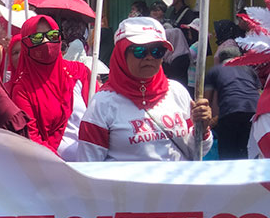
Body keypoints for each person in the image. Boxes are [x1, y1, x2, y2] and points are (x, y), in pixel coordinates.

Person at [77, 17, 212, 161]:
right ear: (122, 54)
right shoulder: (102, 104)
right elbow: (88, 164)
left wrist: (202, 129)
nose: (149, 58)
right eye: (140, 51)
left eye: (157, 51)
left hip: (178, 182)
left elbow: (195, 152)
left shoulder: (177, 92)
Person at [11, 15, 93, 160]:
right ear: (26, 45)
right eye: (37, 38)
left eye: (52, 35)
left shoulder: (80, 73)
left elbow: (99, 118)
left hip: (94, 162)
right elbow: (32, 139)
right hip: (55, 168)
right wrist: (64, 168)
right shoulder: (22, 90)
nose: (47, 42)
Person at [204, 44, 260, 159]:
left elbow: (206, 100)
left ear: (220, 60)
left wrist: (209, 122)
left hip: (230, 111)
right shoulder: (249, 70)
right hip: (254, 112)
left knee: (228, 154)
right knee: (247, 150)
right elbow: (259, 92)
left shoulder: (215, 70)